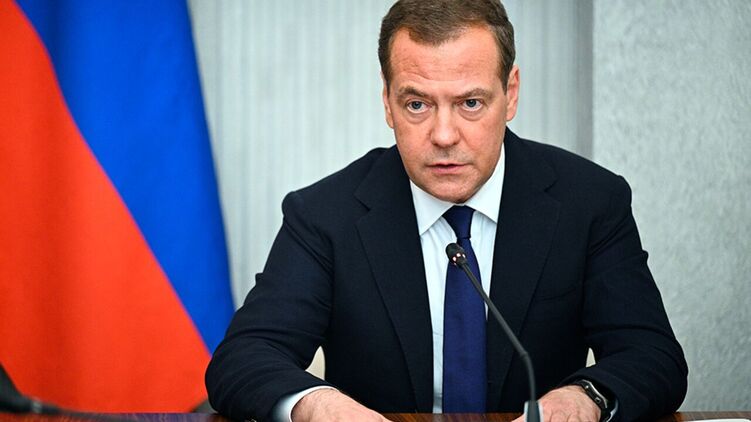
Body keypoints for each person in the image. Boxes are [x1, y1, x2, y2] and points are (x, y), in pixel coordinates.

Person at [205, 1, 688, 421]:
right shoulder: (325, 215)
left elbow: (652, 356)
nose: (443, 135)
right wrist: (318, 405)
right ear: (388, 103)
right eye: (417, 105)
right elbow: (243, 358)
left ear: (511, 93)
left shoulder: (589, 202)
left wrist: (585, 397)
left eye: (470, 103)